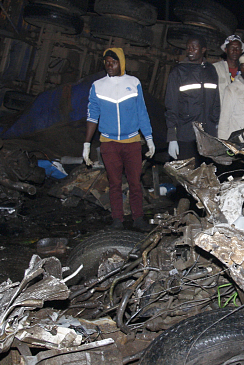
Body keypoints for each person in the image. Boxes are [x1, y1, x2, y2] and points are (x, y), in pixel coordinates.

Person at [83, 48, 154, 231]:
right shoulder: (98, 86)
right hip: (109, 143)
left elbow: (142, 112)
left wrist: (149, 138)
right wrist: (86, 144)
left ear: (121, 63)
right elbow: (92, 116)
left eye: (113, 62)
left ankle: (138, 218)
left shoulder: (133, 82)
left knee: (135, 182)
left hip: (132, 142)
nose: (109, 65)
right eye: (106, 62)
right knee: (114, 183)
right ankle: (117, 220)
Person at [164, 35, 221, 162]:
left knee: (206, 175)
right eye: (188, 48)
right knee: (187, 176)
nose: (190, 51)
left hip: (207, 135)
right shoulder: (178, 72)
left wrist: (215, 125)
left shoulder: (211, 70)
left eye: (194, 48)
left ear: (203, 50)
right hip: (185, 134)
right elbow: (171, 106)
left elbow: (216, 101)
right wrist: (172, 138)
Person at [213, 34, 244, 103]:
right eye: (232, 48)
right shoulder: (215, 68)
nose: (235, 51)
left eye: (238, 48)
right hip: (220, 111)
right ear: (226, 50)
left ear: (241, 51)